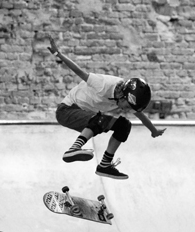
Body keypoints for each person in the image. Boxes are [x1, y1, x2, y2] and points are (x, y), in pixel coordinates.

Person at [48, 35, 165, 179]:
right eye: (127, 106)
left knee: (124, 125)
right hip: (67, 111)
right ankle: (74, 148)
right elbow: (79, 72)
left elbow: (141, 116)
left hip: (86, 116)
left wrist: (153, 131)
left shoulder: (126, 97)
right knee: (101, 119)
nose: (125, 109)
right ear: (123, 96)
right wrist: (58, 54)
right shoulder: (103, 84)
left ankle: (104, 165)